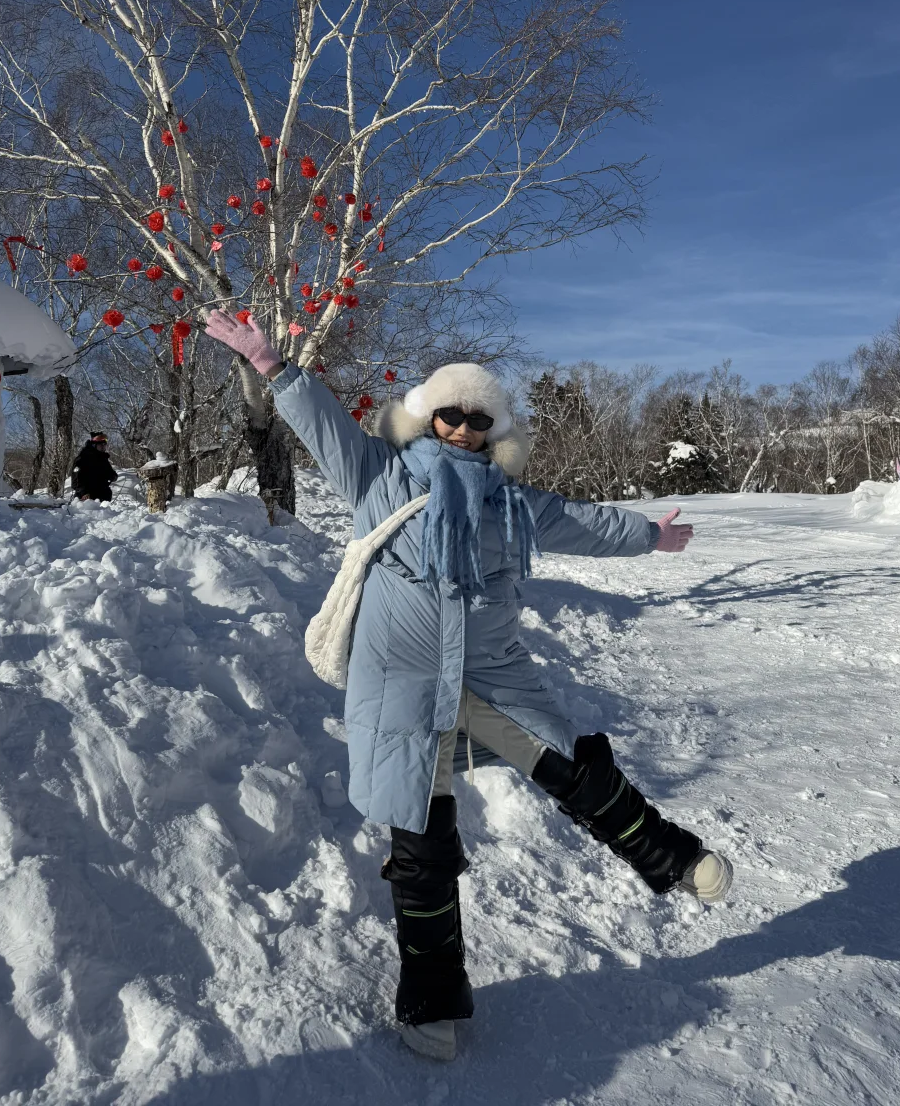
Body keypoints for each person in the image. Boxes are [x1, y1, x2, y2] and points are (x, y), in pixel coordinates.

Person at [205, 311, 734, 1062]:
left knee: (572, 764)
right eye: (449, 412)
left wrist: (652, 533)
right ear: (427, 416)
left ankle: (667, 854)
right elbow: (322, 428)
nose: (461, 426)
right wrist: (275, 368)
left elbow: (584, 524)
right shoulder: (379, 475)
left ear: (492, 429)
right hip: (401, 682)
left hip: (490, 676)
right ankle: (430, 993)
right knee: (421, 842)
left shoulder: (510, 502)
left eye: (477, 417)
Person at [70, 432, 118, 502]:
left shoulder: (103, 459)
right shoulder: (83, 458)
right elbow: (76, 479)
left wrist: (113, 477)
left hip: (103, 498)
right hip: (86, 499)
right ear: (94, 445)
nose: (103, 447)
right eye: (100, 445)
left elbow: (110, 473)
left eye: (104, 445)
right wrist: (83, 492)